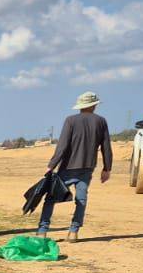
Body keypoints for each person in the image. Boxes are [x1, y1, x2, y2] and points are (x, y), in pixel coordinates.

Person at [38, 91, 112, 239]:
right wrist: (107, 168)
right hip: (87, 167)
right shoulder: (101, 121)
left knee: (51, 198)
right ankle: (74, 231)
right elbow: (106, 147)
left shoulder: (70, 120)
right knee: (81, 199)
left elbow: (62, 146)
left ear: (80, 106)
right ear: (94, 105)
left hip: (67, 167)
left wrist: (51, 165)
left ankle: (42, 231)